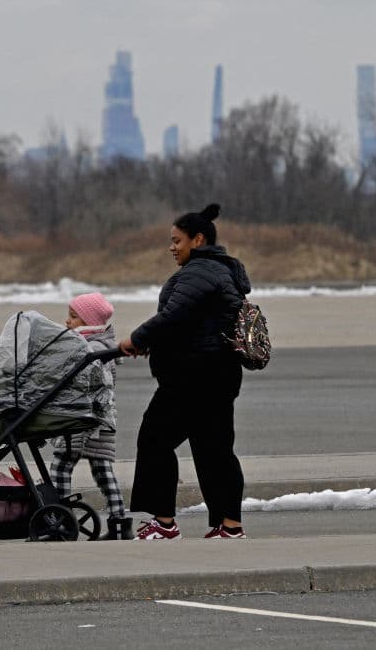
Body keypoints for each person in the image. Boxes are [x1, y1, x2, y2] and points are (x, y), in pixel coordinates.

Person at [118, 204, 250, 540]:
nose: (172, 247)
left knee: (154, 439)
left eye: (177, 240)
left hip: (193, 377)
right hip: (217, 374)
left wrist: (135, 338)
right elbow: (194, 321)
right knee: (215, 448)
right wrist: (154, 343)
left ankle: (164, 523)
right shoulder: (221, 270)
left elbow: (174, 315)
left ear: (198, 239)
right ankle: (230, 526)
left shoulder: (199, 271)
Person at [51, 292, 134, 540]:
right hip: (98, 420)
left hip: (88, 421)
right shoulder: (97, 345)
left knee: (62, 465)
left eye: (73, 317)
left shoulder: (94, 349)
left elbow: (90, 381)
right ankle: (120, 521)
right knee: (101, 469)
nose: (67, 321)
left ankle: (61, 517)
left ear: (89, 322)